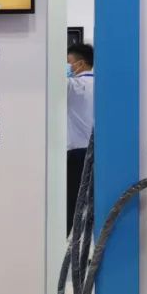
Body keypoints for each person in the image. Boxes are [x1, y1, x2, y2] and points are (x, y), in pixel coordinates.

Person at [66, 43, 94, 236]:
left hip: (77, 153)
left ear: (81, 64)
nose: (68, 66)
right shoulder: (104, 84)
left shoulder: (74, 86)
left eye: (69, 62)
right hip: (100, 151)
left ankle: (68, 243)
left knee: (72, 202)